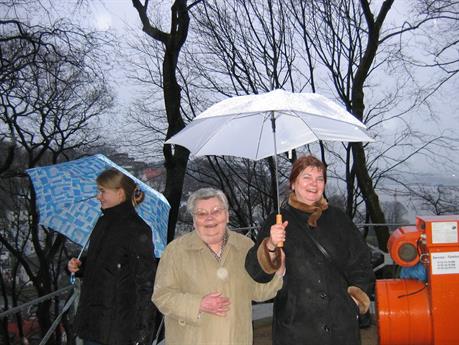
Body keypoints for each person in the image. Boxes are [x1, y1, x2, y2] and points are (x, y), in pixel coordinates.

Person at [245, 155, 375, 345]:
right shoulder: (278, 220)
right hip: (296, 328)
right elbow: (256, 273)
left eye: (319, 178)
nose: (314, 184)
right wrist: (271, 245)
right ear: (293, 183)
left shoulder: (338, 218)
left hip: (341, 327)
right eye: (306, 177)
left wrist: (354, 301)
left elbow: (361, 262)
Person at [152, 187, 285, 345]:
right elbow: (162, 296)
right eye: (201, 213)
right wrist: (198, 304)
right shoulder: (176, 251)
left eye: (216, 211)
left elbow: (260, 292)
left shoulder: (245, 247)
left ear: (227, 215)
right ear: (194, 220)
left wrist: (278, 270)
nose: (210, 218)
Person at [67, 168, 157, 345]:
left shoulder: (137, 229)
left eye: (102, 191)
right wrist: (79, 266)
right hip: (93, 322)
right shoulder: (102, 222)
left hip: (116, 330)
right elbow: (106, 264)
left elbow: (146, 284)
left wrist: (143, 333)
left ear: (120, 193)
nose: (98, 196)